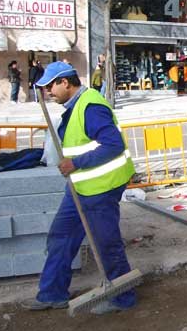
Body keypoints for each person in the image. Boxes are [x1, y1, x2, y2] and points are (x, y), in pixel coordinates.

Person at [22, 61, 136, 314]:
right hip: (81, 185)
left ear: (66, 82)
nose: (48, 92)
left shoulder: (91, 106)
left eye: (51, 86)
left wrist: (76, 163)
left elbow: (112, 145)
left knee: (106, 243)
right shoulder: (74, 106)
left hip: (101, 186)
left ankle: (122, 297)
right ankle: (52, 293)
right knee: (61, 235)